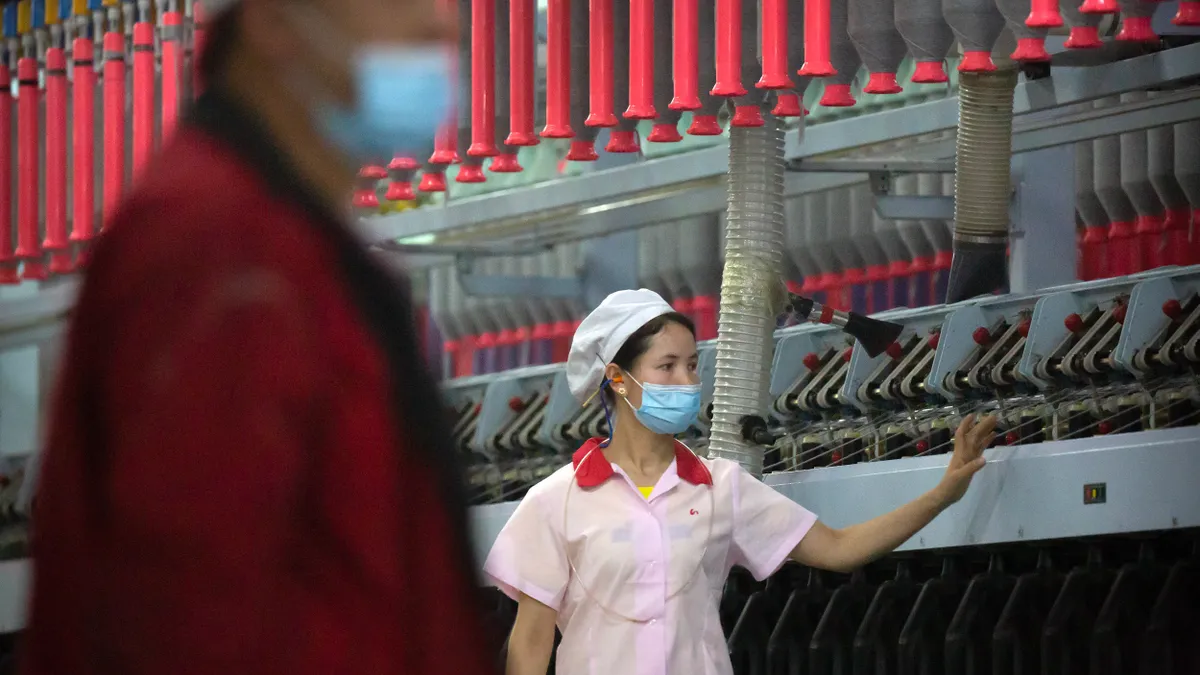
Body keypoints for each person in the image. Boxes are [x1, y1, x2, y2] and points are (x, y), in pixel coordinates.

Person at [20, 1, 498, 674]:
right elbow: (188, 619)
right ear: (274, 22)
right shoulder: (218, 248)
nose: (441, 26)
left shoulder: (290, 245)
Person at [486, 289, 998, 675]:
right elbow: (530, 643)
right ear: (619, 380)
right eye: (666, 367)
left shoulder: (719, 486)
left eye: (691, 366)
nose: (688, 383)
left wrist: (941, 495)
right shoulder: (558, 500)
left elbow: (839, 548)